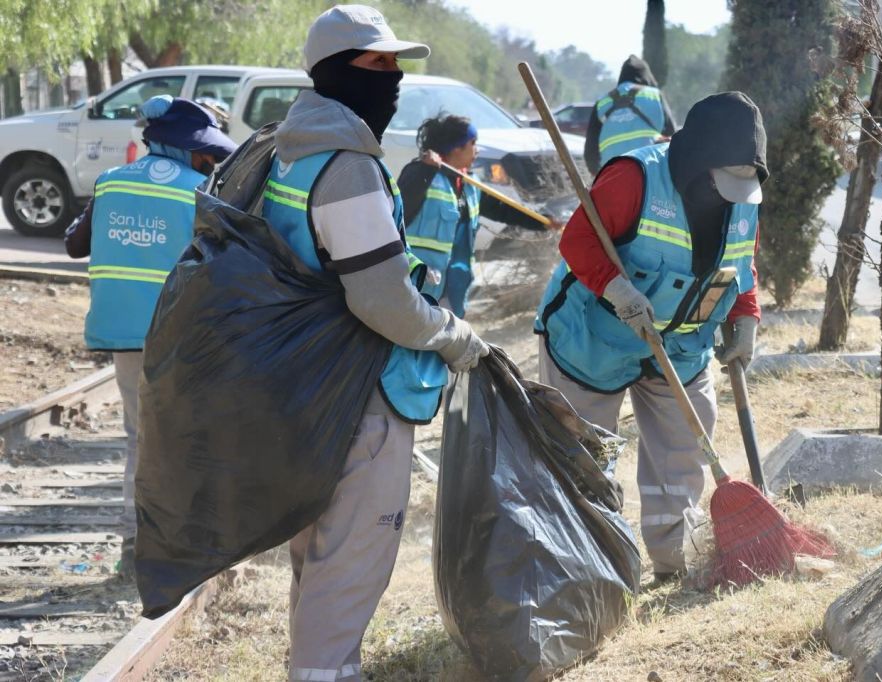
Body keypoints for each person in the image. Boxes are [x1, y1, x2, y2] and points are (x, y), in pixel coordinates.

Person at [261, 6, 488, 679]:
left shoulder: (289, 150)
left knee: (317, 552)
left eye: (394, 64)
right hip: (355, 394)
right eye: (375, 64)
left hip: (299, 385)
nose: (390, 78)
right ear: (334, 73)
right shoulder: (346, 166)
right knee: (351, 558)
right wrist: (452, 335)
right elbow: (381, 298)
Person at [535, 92, 766, 583]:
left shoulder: (746, 197)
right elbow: (577, 240)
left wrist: (745, 319)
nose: (731, 194)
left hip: (680, 346)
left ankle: (674, 557)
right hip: (594, 339)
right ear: (698, 162)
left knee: (682, 451)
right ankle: (589, 565)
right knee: (585, 454)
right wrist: (617, 288)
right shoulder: (634, 177)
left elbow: (741, 264)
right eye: (724, 181)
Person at [64, 96, 238, 576]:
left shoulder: (110, 182)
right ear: (186, 149)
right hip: (180, 338)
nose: (212, 160)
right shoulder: (202, 191)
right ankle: (187, 547)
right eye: (207, 152)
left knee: (140, 439)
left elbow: (74, 245)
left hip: (122, 335)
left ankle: (135, 547)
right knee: (189, 438)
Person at [398, 114, 554, 317]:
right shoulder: (420, 173)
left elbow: (503, 209)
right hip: (419, 283)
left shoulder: (469, 185)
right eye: (473, 143)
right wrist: (425, 169)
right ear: (457, 147)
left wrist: (545, 222)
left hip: (454, 286)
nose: (477, 150)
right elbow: (397, 211)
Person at [584, 54, 677, 176]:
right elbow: (674, 138)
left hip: (613, 176)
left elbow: (590, 153)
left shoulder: (602, 103)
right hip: (650, 174)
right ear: (647, 77)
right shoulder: (655, 96)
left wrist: (600, 177)